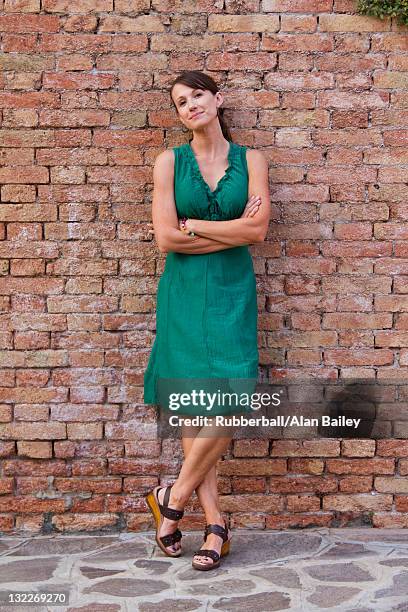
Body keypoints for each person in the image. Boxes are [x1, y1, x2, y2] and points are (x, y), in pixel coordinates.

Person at [144, 70, 270, 570]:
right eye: (181, 101)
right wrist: (230, 228)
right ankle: (215, 524)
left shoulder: (251, 160)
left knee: (231, 400)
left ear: (218, 98)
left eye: (197, 94)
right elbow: (166, 240)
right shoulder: (168, 162)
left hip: (233, 294)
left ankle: (170, 500)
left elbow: (259, 231)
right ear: (178, 115)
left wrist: (195, 222)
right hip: (185, 296)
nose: (190, 104)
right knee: (198, 409)